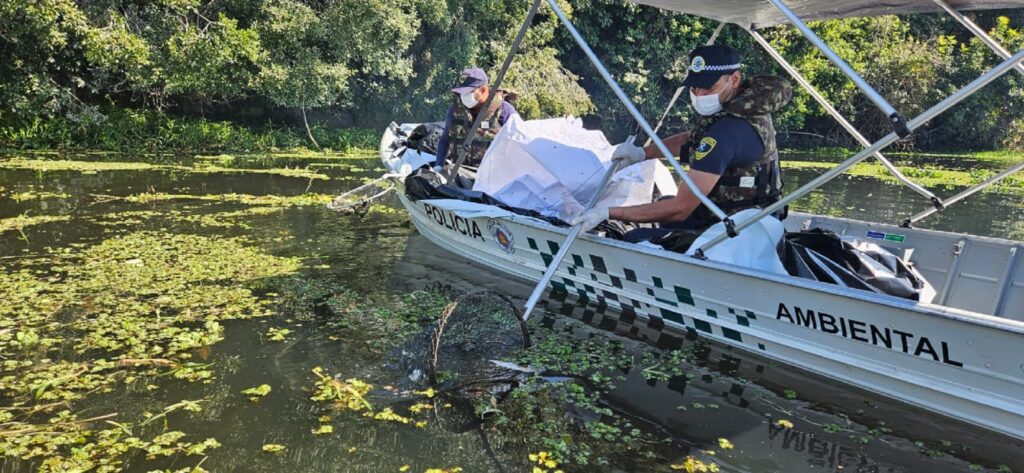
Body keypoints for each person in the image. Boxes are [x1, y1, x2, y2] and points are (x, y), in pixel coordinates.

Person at [574, 45, 793, 240]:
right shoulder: (748, 107)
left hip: (738, 231)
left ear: (734, 80)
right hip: (755, 216)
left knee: (635, 237)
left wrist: (608, 212)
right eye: (695, 87)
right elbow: (690, 139)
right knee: (662, 204)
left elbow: (681, 208)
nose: (700, 94)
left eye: (709, 88)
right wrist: (641, 153)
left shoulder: (725, 133)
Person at [433, 67, 518, 172]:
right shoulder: (455, 111)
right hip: (460, 174)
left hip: (491, 176)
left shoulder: (505, 111)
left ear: (483, 90)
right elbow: (445, 139)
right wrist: (438, 165)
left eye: (468, 92)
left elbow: (519, 144)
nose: (464, 96)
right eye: (462, 93)